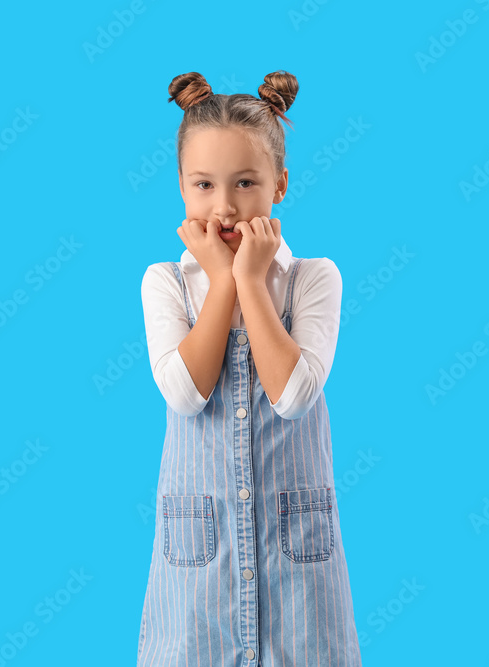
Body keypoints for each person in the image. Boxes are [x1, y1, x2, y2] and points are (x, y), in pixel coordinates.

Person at [137, 70, 362, 666]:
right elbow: (187, 393)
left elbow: (293, 396)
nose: (225, 206)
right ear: (181, 187)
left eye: (245, 183)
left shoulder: (314, 279)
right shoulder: (166, 283)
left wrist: (249, 282)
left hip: (297, 568)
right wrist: (219, 285)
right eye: (204, 184)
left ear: (280, 184)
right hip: (198, 569)